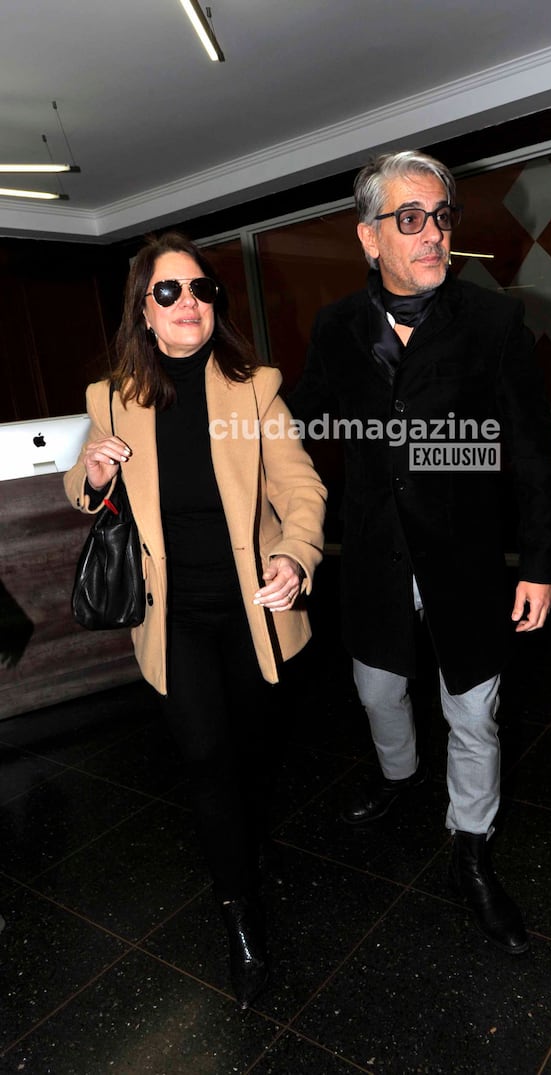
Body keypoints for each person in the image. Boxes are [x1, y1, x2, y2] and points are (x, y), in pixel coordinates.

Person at [289, 150, 551, 955]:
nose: (432, 233)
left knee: (472, 711)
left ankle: (470, 852)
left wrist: (541, 562)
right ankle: (398, 777)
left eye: (441, 216)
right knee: (376, 691)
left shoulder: (493, 321)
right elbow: (300, 418)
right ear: (369, 237)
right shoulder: (338, 325)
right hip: (374, 549)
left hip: (464, 555)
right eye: (410, 219)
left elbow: (531, 449)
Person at [64, 232, 326, 1008]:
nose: (189, 304)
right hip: (171, 616)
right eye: (169, 292)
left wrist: (297, 554)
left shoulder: (254, 391)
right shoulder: (111, 396)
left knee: (246, 754)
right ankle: (240, 915)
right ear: (144, 310)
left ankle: (244, 847)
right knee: (206, 758)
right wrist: (96, 472)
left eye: (201, 290)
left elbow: (301, 489)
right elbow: (81, 489)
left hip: (252, 610)